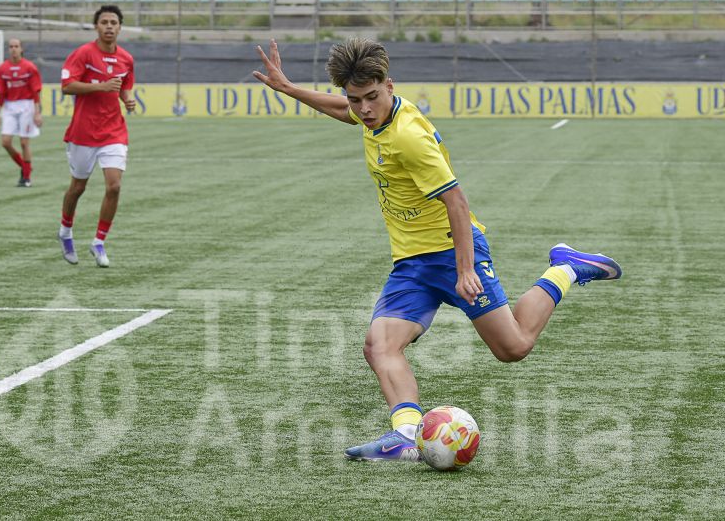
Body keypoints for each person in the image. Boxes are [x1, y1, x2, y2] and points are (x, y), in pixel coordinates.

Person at [253, 38, 622, 462]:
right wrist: (289, 87)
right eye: (356, 100)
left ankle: (566, 268)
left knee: (513, 348)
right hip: (412, 263)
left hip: (451, 254)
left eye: (372, 97)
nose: (364, 109)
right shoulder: (369, 115)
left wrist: (465, 270)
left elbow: (457, 203)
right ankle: (407, 435)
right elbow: (343, 111)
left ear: (389, 85)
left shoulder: (408, 137)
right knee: (378, 345)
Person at [57, 5, 136, 268]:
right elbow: (67, 86)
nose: (110, 27)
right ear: (96, 27)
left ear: (120, 27)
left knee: (114, 185)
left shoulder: (126, 58)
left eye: (114, 22)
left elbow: (125, 87)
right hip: (83, 132)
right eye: (104, 22)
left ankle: (99, 241)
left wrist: (128, 100)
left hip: (113, 131)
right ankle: (66, 231)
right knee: (77, 188)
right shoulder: (83, 54)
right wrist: (100, 86)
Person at [0, 38, 42, 187]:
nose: (13, 49)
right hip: (9, 107)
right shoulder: (2, 69)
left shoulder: (30, 67)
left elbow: (36, 91)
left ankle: (26, 178)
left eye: (16, 46)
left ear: (21, 49)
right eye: (11, 46)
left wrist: (37, 112)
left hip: (26, 106)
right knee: (5, 142)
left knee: (23, 142)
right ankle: (25, 166)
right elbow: (1, 92)